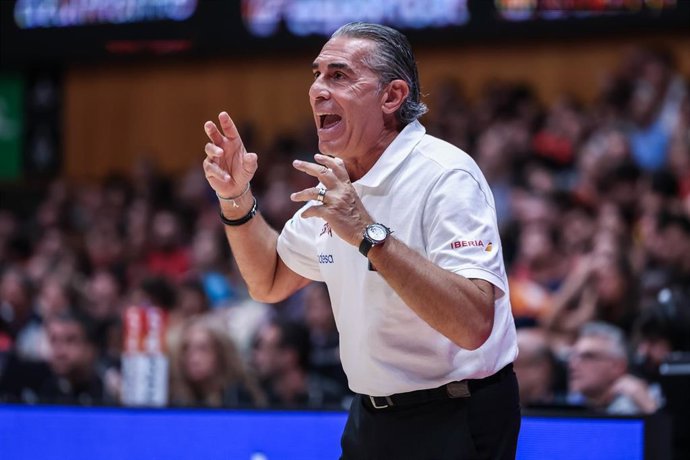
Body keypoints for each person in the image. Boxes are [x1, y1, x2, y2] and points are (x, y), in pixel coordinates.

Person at [203, 22, 519, 459]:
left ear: (392, 97)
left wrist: (369, 235)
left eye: (338, 75)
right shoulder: (336, 184)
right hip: (370, 417)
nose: (317, 89)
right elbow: (270, 280)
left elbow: (472, 325)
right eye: (316, 75)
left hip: (457, 413)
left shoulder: (446, 175)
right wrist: (235, 195)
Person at [168, 315, 265, 408]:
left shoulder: (239, 397)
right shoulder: (177, 399)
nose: (193, 358)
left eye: (203, 349)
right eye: (186, 349)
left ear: (221, 354)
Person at [567, 321, 659, 415]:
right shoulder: (569, 403)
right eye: (573, 356)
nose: (573, 364)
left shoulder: (647, 400)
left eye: (588, 356)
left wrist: (648, 405)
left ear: (618, 366)